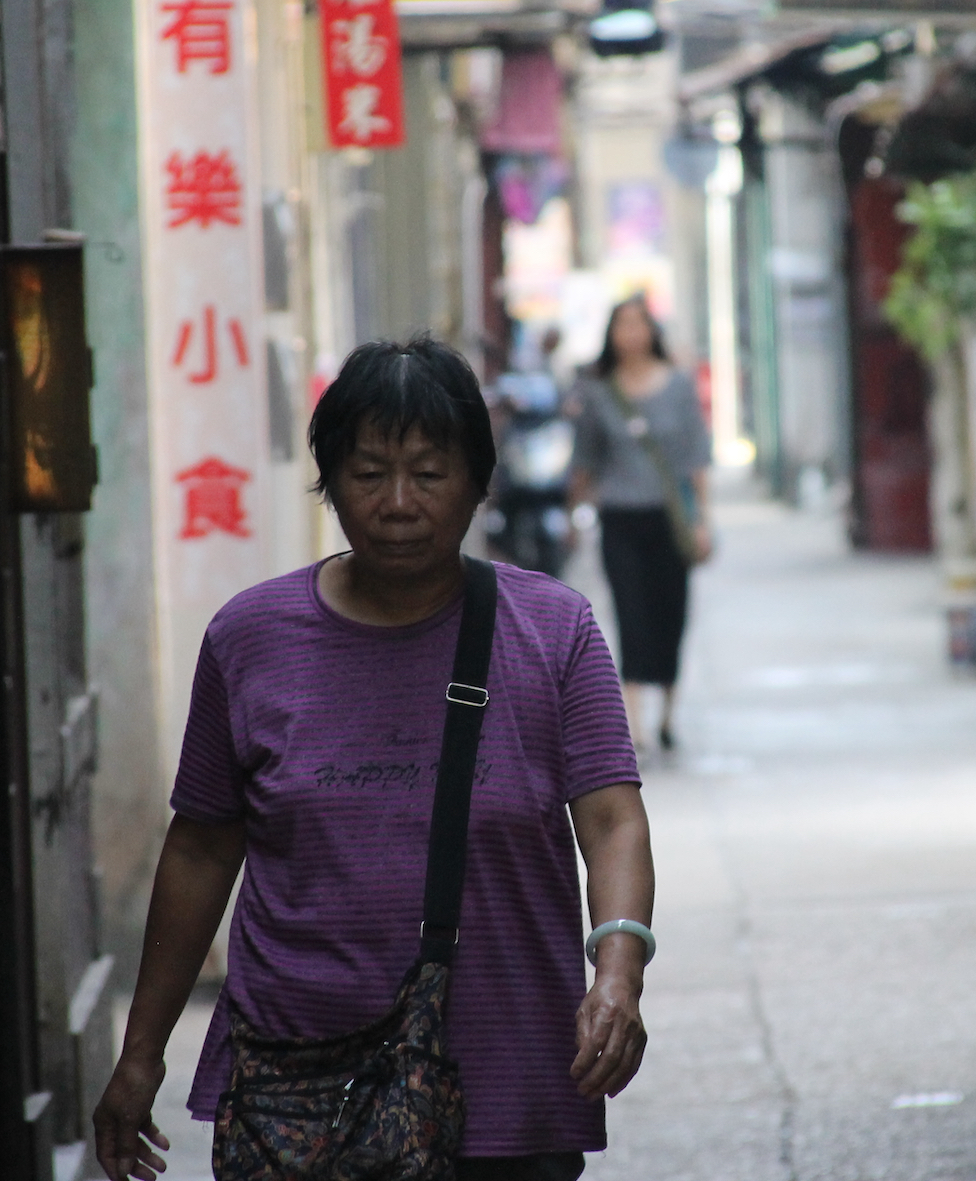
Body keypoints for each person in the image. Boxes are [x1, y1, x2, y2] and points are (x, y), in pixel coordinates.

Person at [93, 336, 656, 1181]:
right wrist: (141, 1053)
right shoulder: (251, 639)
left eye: (429, 475)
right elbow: (202, 848)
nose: (398, 502)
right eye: (368, 473)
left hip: (505, 1085)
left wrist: (618, 970)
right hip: (300, 1089)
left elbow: (612, 820)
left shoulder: (553, 630)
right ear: (328, 480)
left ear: (477, 483)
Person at [568, 296, 712, 753]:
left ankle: (668, 711)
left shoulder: (679, 386)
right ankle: (635, 723)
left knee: (671, 615)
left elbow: (696, 459)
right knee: (630, 616)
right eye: (622, 326)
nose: (630, 334)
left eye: (638, 324)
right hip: (620, 518)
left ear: (652, 331)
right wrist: (574, 513)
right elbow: (585, 459)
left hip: (669, 519)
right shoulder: (598, 391)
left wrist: (702, 519)